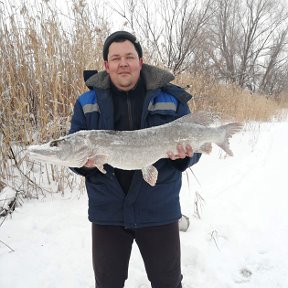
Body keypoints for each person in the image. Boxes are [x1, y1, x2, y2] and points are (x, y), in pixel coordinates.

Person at [69, 31, 201, 288]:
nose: (123, 62)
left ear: (141, 61)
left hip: (158, 209)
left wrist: (184, 157)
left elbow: (194, 147)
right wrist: (82, 165)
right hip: (108, 212)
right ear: (106, 65)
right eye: (116, 58)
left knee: (168, 283)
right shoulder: (86, 103)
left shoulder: (172, 100)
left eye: (130, 56)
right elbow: (73, 149)